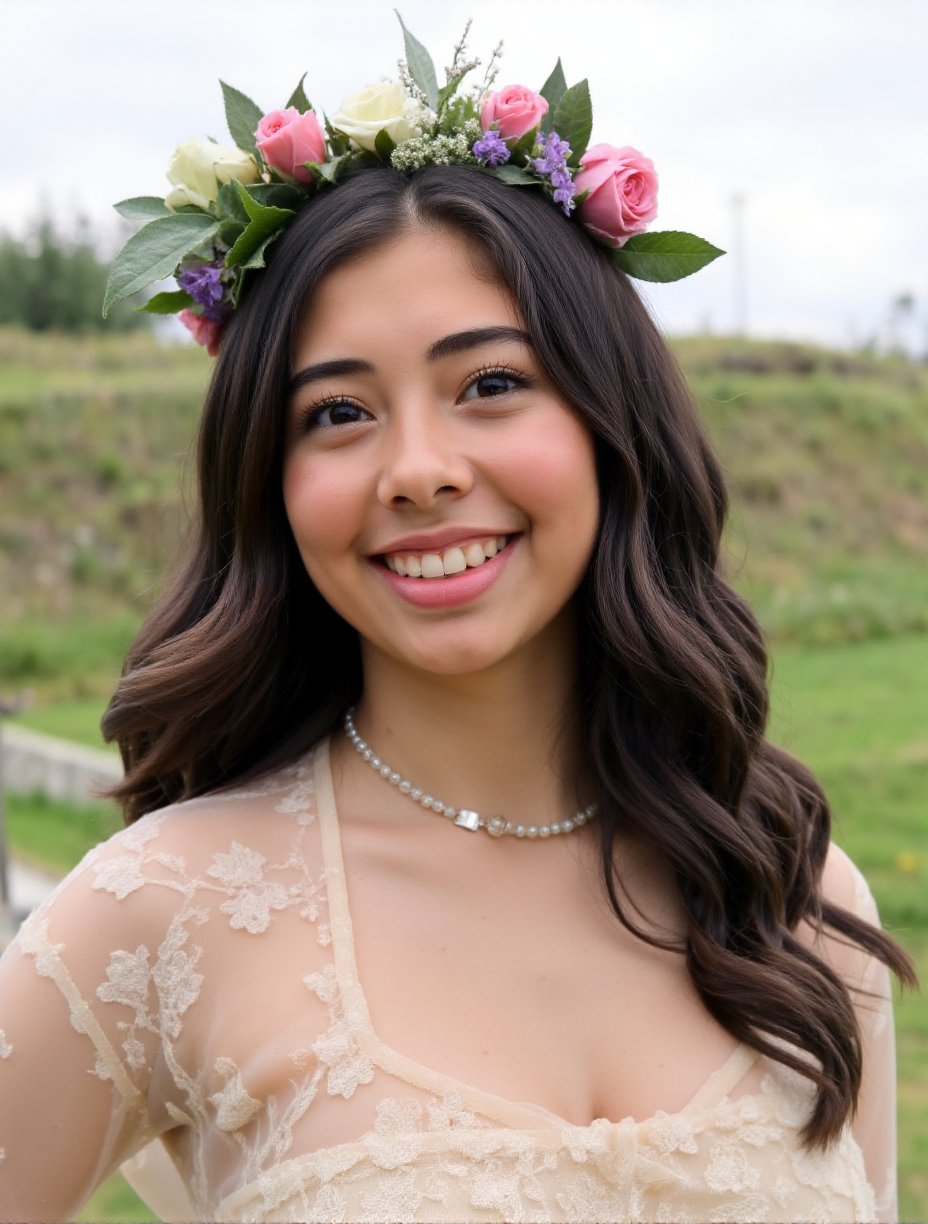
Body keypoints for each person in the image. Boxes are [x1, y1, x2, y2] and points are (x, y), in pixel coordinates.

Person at [0, 24, 915, 1223]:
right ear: (267, 480)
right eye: (337, 412)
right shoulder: (156, 917)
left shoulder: (795, 897)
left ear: (607, 419)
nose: (419, 470)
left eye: (489, 384)